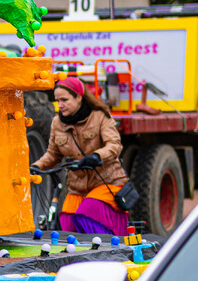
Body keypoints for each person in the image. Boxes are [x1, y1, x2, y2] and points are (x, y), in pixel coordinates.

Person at [32, 74, 130, 236]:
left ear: (78, 97)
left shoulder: (100, 116)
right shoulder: (57, 123)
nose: (60, 105)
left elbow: (114, 145)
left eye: (65, 100)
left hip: (107, 182)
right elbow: (53, 154)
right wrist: (37, 166)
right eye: (58, 101)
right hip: (78, 187)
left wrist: (96, 157)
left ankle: (105, 251)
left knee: (87, 213)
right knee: (67, 224)